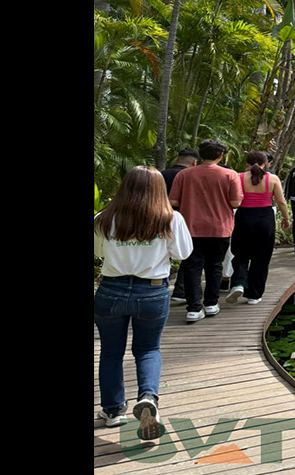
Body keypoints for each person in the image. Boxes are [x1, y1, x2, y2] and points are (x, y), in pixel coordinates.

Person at [94, 166, 193, 438]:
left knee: (111, 352)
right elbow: (183, 253)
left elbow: (98, 251)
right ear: (160, 189)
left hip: (111, 290)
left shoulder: (103, 218)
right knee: (148, 349)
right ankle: (148, 397)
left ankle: (113, 410)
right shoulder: (171, 219)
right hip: (151, 292)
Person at [168, 139, 244, 323]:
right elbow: (236, 203)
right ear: (221, 155)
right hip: (219, 228)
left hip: (191, 227)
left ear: (200, 154)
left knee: (192, 267)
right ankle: (211, 304)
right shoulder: (230, 175)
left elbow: (173, 202)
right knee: (215, 266)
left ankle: (193, 308)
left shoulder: (184, 175)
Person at [227, 151, 291, 306]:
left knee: (240, 253)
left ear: (247, 163)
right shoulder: (273, 178)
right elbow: (281, 202)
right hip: (264, 219)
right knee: (261, 258)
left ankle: (238, 282)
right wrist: (286, 218)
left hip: (243, 217)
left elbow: (232, 198)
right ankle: (254, 295)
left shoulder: (239, 177)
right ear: (266, 163)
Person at [162, 148, 199, 305]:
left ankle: (161, 289)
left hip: (160, 218)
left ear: (177, 159)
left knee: (161, 255)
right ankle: (180, 291)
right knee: (189, 255)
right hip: (185, 219)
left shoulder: (161, 174)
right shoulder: (191, 176)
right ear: (194, 162)